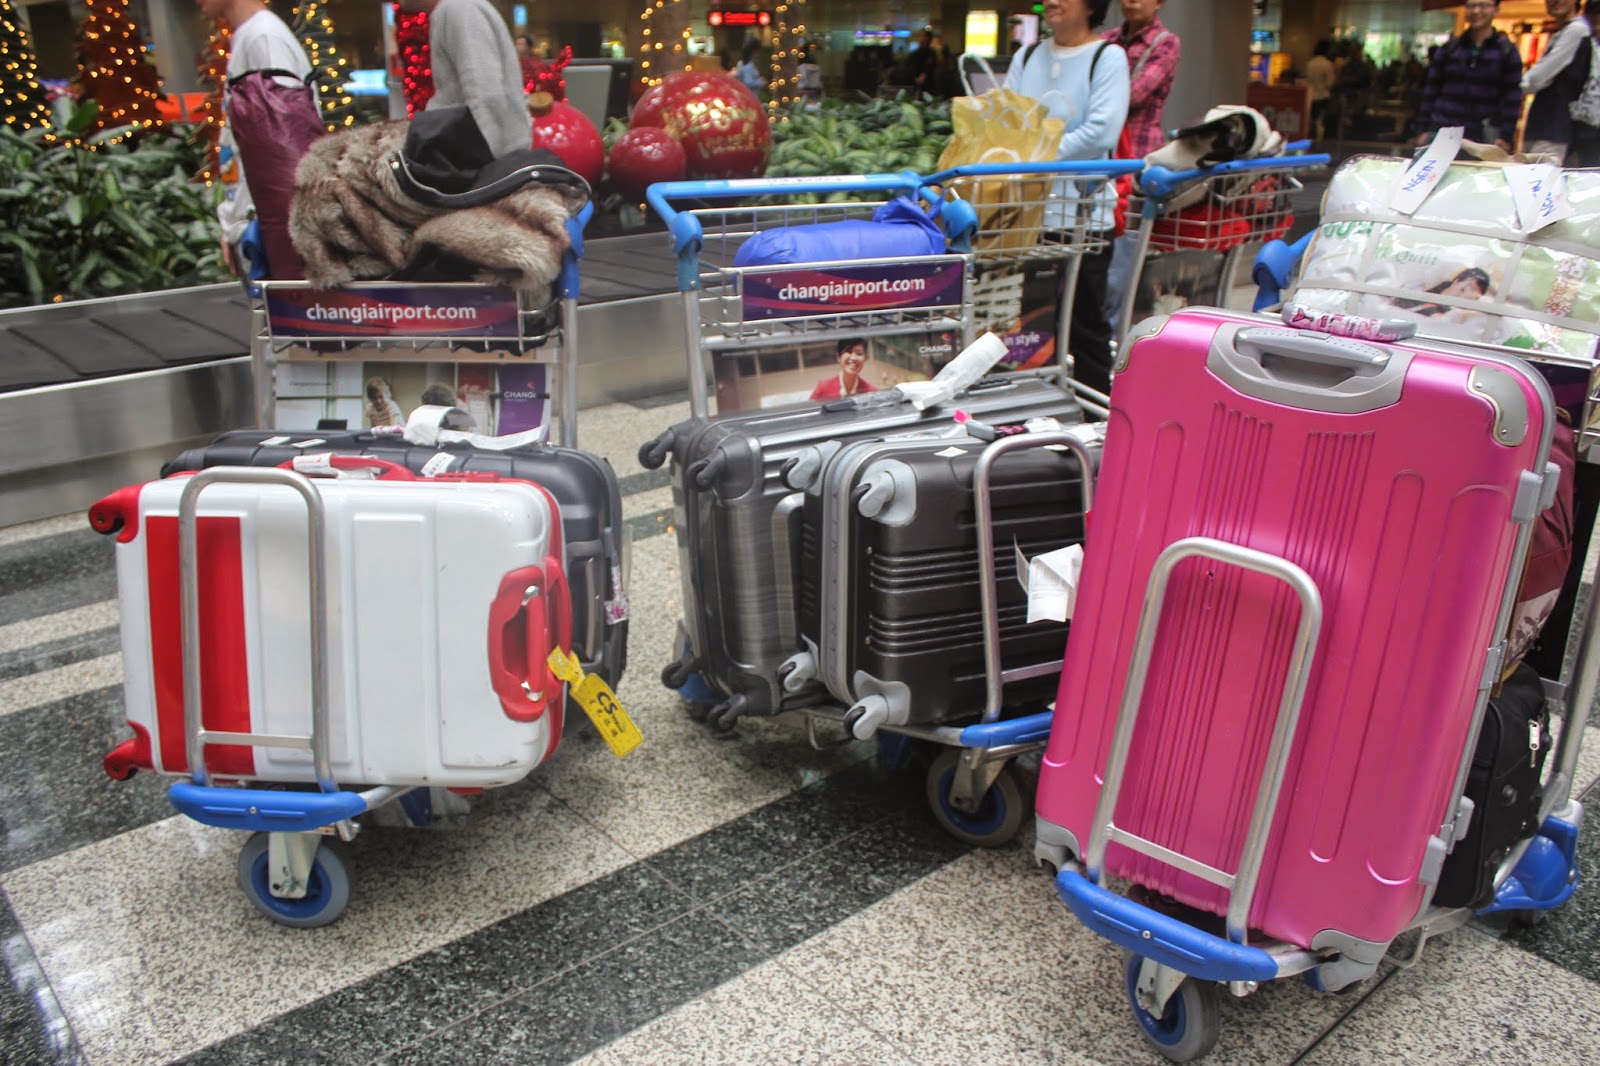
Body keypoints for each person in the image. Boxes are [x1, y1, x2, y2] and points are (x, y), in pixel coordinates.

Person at [1006, 0, 1130, 398]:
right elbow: (1007, 120)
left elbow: (1101, 132)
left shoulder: (1107, 58)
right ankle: (1036, 407)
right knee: (1033, 323)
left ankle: (1096, 412)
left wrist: (1036, 154)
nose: (1053, 2)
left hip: (1084, 217)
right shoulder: (1027, 57)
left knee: (1085, 323)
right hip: (1031, 215)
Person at [199, 0, 312, 276]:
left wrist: (255, 226)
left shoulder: (265, 37)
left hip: (267, 234)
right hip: (255, 227)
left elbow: (286, 147)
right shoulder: (251, 34)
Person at [1099, 0, 1180, 332]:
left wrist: (1098, 93)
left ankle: (1113, 337)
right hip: (1103, 157)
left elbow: (1132, 95)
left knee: (1122, 255)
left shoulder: (1165, 43)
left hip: (1137, 164)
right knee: (1098, 250)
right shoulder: (1106, 39)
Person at [398, 0, 531, 157]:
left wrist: (481, 160)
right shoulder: (457, 9)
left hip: (487, 160)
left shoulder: (460, 9)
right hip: (486, 158)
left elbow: (485, 95)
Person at [1415, 1, 1524, 152]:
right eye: (1471, 6)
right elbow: (1430, 90)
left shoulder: (1507, 51)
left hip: (1484, 135)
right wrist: (1422, 129)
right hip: (1443, 130)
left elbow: (1512, 97)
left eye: (1483, 5)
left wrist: (1506, 136)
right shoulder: (1449, 48)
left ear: (1496, 10)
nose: (1476, 11)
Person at [1521, 0, 1593, 163]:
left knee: (1540, 175)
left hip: (1556, 125)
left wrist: (1519, 85)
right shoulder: (1562, 32)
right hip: (1546, 122)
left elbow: (1538, 77)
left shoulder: (1576, 29)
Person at [809, 338, 877, 400]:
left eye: (859, 353)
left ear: (865, 359)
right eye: (849, 352)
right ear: (838, 357)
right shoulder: (823, 388)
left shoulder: (871, 391)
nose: (853, 358)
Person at [1306, 41, 1335, 140]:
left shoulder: (1310, 63)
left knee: (1310, 120)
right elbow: (1330, 83)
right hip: (1323, 96)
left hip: (1310, 96)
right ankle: (1319, 141)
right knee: (1320, 121)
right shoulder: (1327, 64)